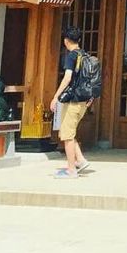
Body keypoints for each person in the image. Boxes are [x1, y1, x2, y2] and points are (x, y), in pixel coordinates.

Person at [51, 26, 91, 179]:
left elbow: (67, 77)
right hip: (83, 101)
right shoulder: (86, 56)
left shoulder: (72, 56)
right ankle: (80, 160)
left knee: (67, 135)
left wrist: (56, 96)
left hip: (73, 100)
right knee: (69, 131)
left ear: (66, 41)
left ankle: (71, 169)